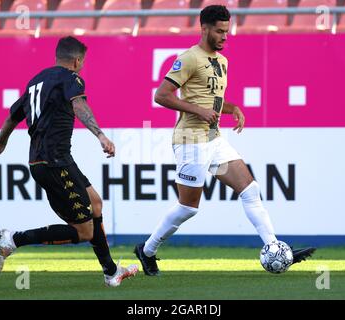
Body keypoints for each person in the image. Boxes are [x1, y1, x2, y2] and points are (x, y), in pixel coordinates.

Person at [134, 5, 315, 276]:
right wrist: (199, 111)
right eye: (219, 31)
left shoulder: (222, 61)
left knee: (249, 189)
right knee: (188, 207)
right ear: (204, 28)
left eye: (227, 32)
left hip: (214, 139)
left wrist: (233, 109)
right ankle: (147, 250)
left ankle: (275, 247)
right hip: (190, 140)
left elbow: (211, 101)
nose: (224, 37)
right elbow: (161, 95)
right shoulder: (189, 58)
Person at [0, 36, 138, 287]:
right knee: (84, 232)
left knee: (96, 204)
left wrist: (1, 142)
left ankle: (111, 272)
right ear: (78, 61)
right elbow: (79, 104)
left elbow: (13, 116)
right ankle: (13, 239)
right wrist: (100, 135)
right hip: (54, 162)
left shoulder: (36, 81)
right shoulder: (72, 79)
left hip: (48, 161)